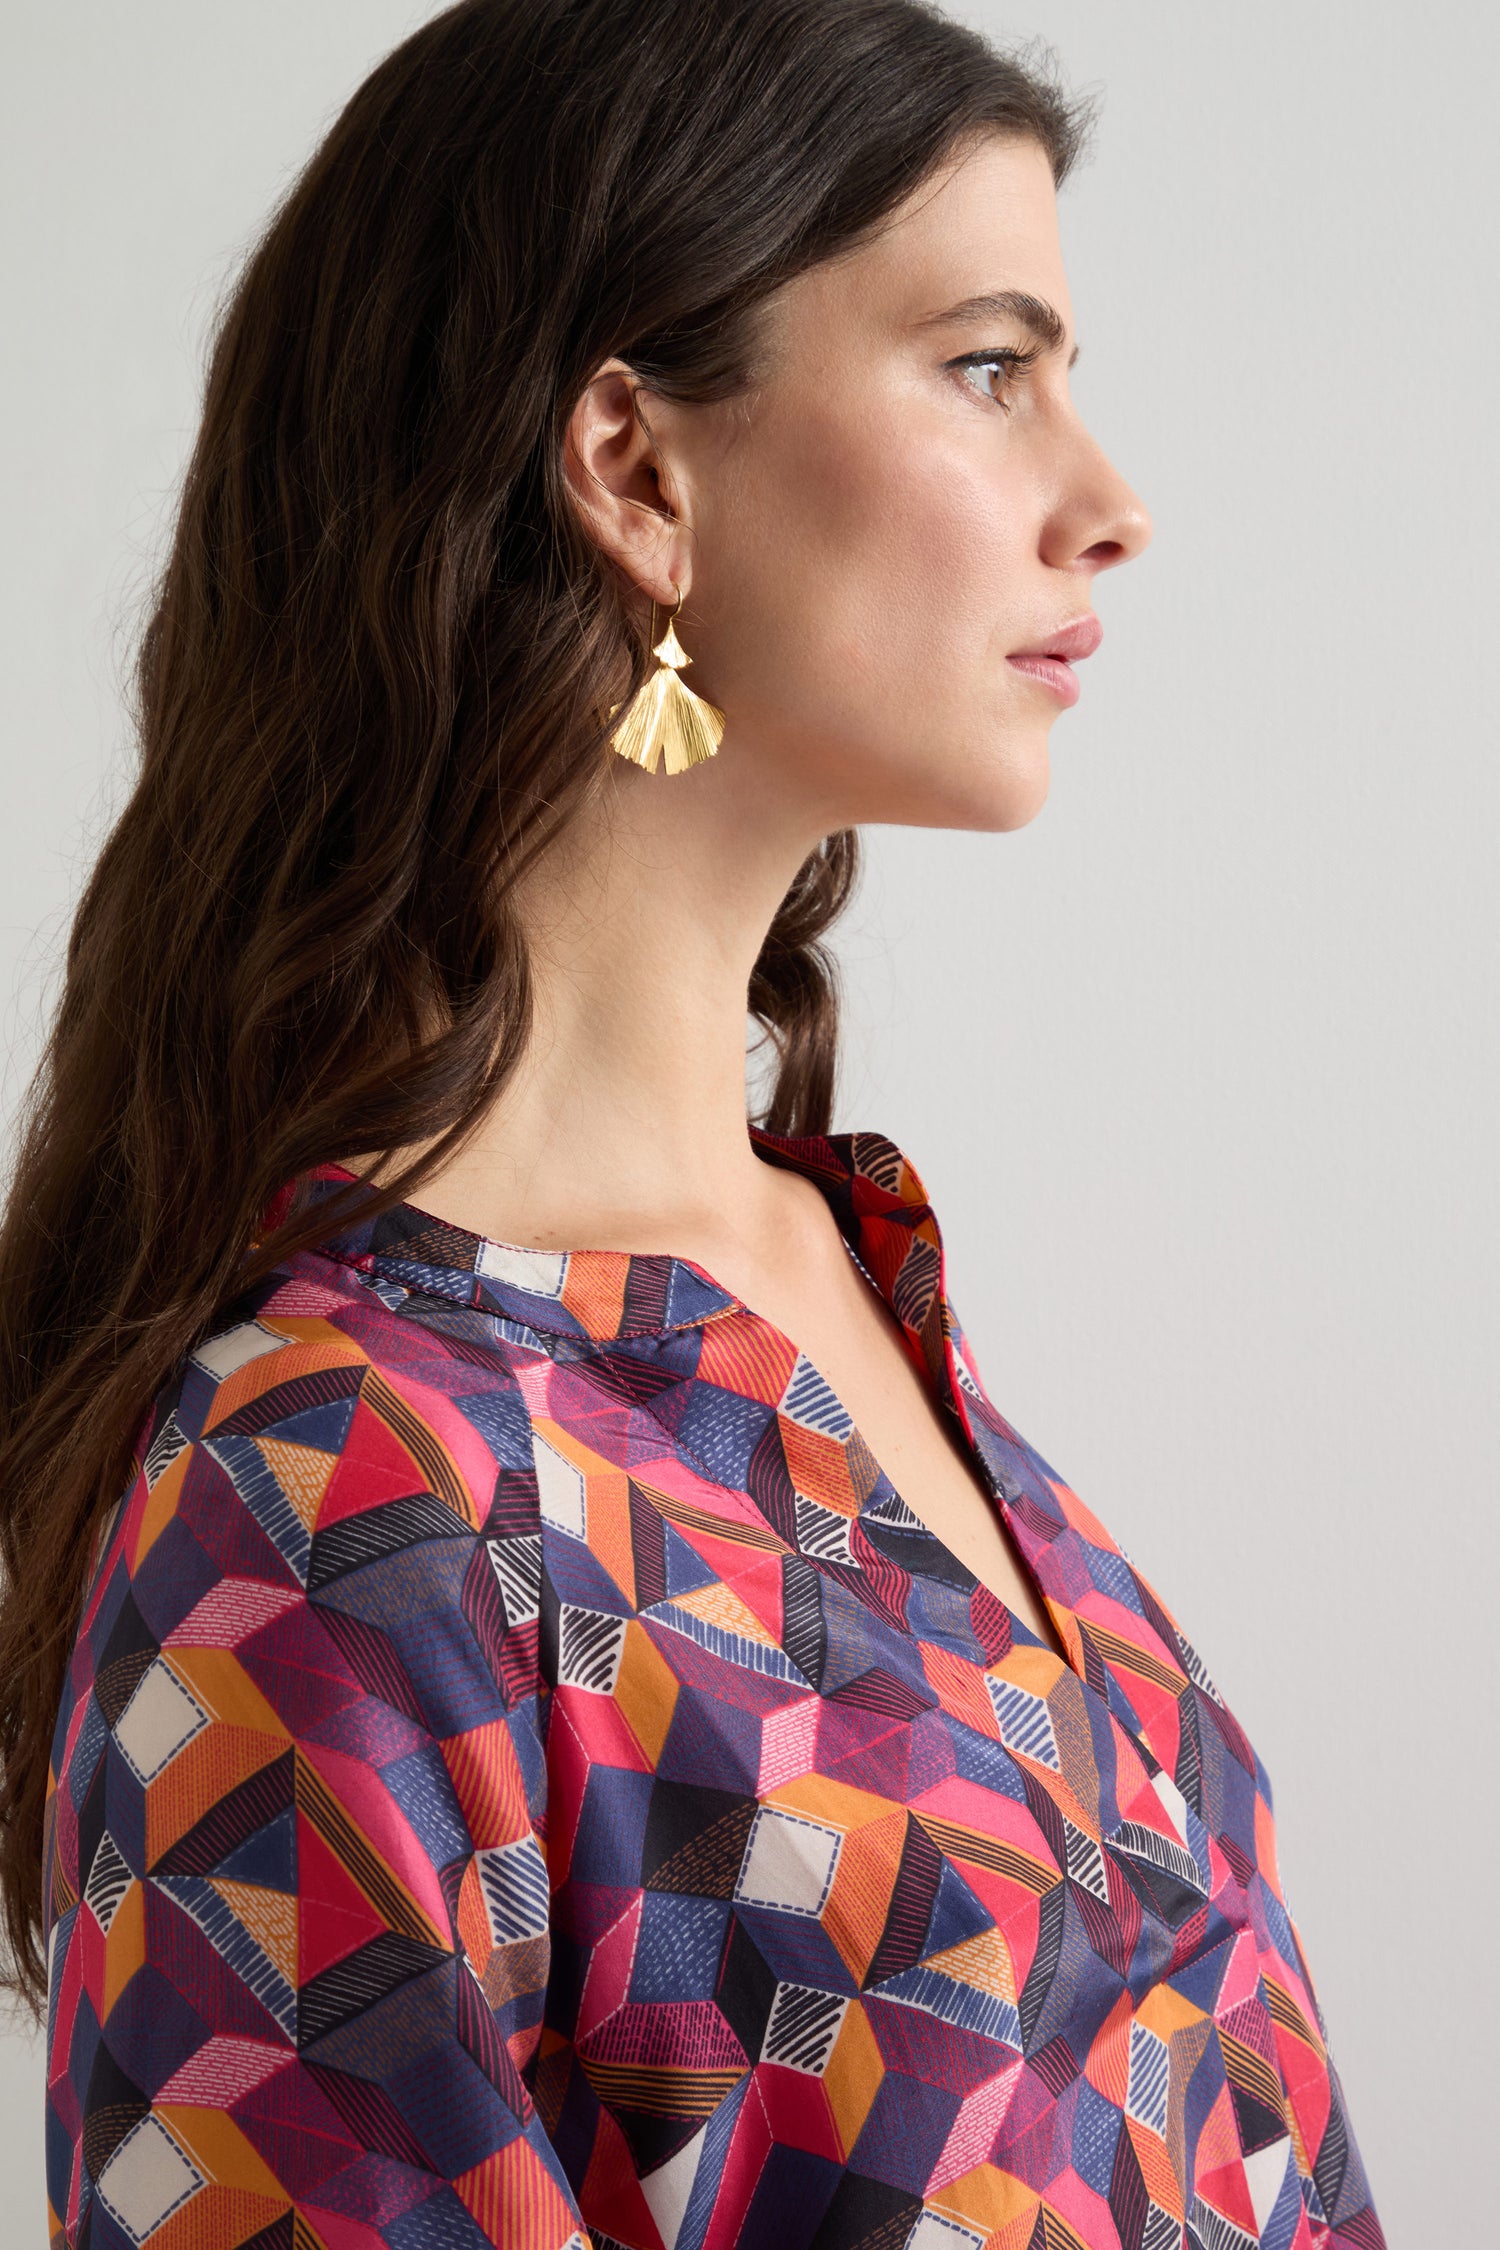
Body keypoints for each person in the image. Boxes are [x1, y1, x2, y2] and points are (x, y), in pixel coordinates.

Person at [0, 3, 1384, 2246]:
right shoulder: (339, 1493)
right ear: (635, 468)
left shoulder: (831, 1268)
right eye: (986, 364)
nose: (1104, 503)